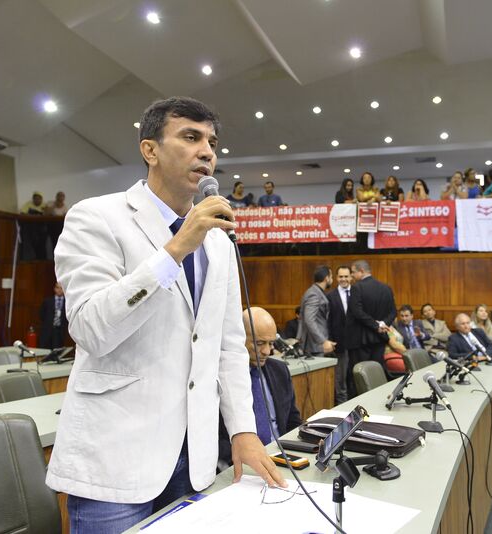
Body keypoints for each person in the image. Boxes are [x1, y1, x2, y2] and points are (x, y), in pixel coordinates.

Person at [47, 96, 285, 532]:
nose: (206, 152)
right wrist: (174, 251)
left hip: (192, 460)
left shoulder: (218, 242)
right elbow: (90, 329)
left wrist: (243, 431)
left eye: (212, 142)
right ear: (150, 150)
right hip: (116, 459)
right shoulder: (97, 217)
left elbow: (229, 347)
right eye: (191, 137)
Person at [218, 308, 303, 466]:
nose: (267, 351)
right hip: (242, 462)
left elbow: (293, 421)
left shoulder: (280, 370)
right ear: (238, 339)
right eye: (259, 343)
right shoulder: (219, 377)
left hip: (282, 457)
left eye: (271, 343)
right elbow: (215, 440)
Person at [349, 260, 397, 374]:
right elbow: (393, 312)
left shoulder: (356, 287)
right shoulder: (386, 288)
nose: (352, 275)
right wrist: (383, 324)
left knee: (361, 374)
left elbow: (357, 312)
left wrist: (377, 326)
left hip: (361, 340)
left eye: (353, 272)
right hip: (380, 338)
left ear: (361, 271)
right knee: (377, 373)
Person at [327, 265, 359, 402]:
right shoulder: (330, 296)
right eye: (341, 276)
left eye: (346, 276)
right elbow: (328, 321)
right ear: (336, 278)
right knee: (340, 381)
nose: (343, 279)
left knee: (355, 377)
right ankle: (342, 405)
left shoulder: (358, 293)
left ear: (351, 277)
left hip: (357, 345)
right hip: (339, 345)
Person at [296, 265, 336, 356]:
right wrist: (323, 341)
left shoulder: (315, 291)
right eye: (331, 277)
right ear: (326, 278)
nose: (332, 280)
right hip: (314, 346)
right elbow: (309, 320)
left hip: (315, 345)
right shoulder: (313, 294)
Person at [39, 282, 68, 349]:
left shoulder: (67, 302)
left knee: (58, 350)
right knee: (45, 348)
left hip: (61, 331)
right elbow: (42, 315)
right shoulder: (47, 301)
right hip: (48, 329)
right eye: (57, 288)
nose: (59, 290)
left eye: (61, 288)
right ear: (54, 289)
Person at [20, 191, 48, 259]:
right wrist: (34, 216)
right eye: (35, 198)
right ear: (33, 199)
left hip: (41, 229)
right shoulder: (28, 204)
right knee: (30, 245)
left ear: (41, 199)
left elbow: (48, 215)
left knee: (41, 246)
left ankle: (41, 260)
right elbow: (22, 213)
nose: (37, 200)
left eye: (39, 198)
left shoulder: (45, 205)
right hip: (30, 228)